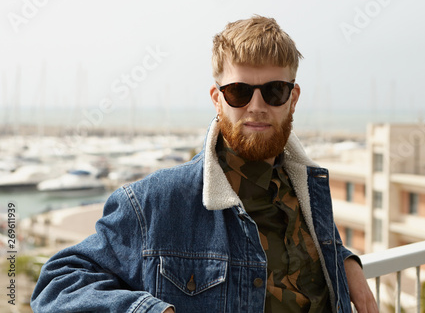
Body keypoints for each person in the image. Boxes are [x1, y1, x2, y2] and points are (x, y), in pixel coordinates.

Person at [31, 15, 378, 312]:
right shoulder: (160, 199)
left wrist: (343, 261)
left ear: (293, 98)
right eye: (239, 92)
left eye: (274, 91)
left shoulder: (307, 188)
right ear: (217, 99)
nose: (256, 106)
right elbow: (58, 283)